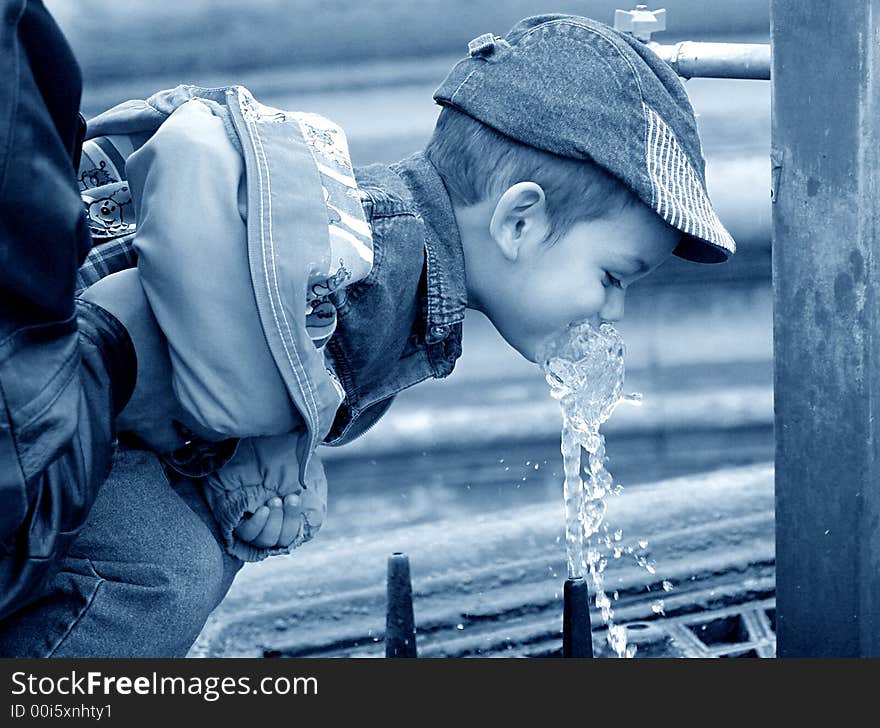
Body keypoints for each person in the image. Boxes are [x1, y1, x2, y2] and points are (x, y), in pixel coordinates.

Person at [0, 12, 736, 656]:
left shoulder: (388, 242)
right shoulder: (375, 274)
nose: (612, 314)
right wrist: (250, 484)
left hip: (78, 409)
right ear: (520, 221)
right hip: (54, 395)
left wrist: (267, 471)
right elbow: (175, 336)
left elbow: (248, 388)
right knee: (165, 572)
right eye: (613, 277)